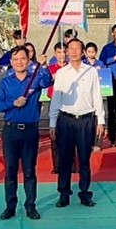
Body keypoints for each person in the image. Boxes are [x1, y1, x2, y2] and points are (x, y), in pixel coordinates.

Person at [0, 46, 55, 221]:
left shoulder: (35, 78)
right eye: (15, 59)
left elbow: (48, 82)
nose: (19, 62)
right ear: (11, 62)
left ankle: (30, 206)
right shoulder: (5, 82)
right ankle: (10, 206)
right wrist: (13, 103)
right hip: (11, 130)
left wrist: (44, 65)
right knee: (11, 171)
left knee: (29, 170)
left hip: (30, 130)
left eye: (22, 58)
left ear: (28, 60)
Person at [48, 38, 106, 208]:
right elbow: (56, 99)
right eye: (70, 48)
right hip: (66, 120)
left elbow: (97, 96)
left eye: (77, 48)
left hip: (86, 120)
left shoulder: (91, 71)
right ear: (66, 51)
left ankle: (85, 193)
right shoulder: (61, 73)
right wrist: (52, 122)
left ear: (83, 52)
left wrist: (100, 120)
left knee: (84, 158)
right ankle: (64, 193)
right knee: (65, 159)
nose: (74, 52)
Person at [47, 42, 67, 173]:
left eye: (64, 52)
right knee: (55, 135)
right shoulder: (50, 68)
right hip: (54, 102)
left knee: (69, 136)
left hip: (68, 103)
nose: (62, 55)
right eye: (59, 52)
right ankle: (57, 165)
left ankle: (71, 164)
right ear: (55, 54)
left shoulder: (71, 68)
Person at [84, 42, 107, 151]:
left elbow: (105, 77)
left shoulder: (100, 64)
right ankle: (87, 141)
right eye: (89, 51)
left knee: (99, 117)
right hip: (86, 94)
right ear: (85, 52)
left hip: (98, 93)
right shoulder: (83, 64)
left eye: (93, 51)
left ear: (96, 52)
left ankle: (98, 142)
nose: (91, 53)